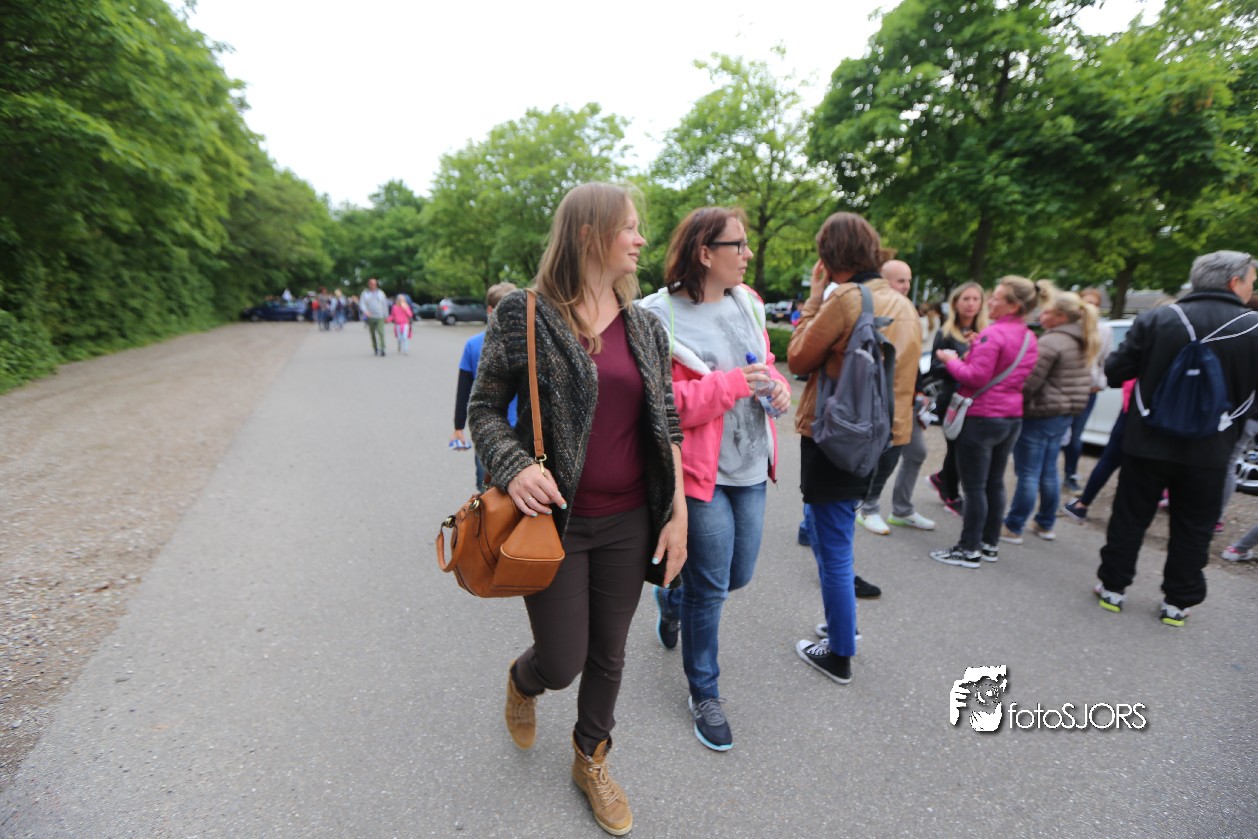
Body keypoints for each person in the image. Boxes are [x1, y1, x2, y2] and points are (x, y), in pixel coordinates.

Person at [468, 182, 686, 836]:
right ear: (589, 234)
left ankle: (591, 758)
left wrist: (677, 513)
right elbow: (484, 408)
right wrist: (514, 466)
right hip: (555, 524)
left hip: (630, 519)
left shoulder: (645, 326)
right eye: (629, 227)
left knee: (610, 654)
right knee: (563, 659)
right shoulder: (524, 315)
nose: (641, 239)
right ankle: (523, 679)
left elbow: (667, 421)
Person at [639, 206, 790, 752]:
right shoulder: (656, 315)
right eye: (738, 245)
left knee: (736, 576)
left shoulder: (748, 302)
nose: (748, 254)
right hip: (699, 476)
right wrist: (730, 385)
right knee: (712, 590)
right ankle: (704, 692)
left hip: (750, 466)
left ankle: (671, 596)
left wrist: (777, 387)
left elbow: (763, 363)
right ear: (705, 253)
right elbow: (657, 403)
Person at [787, 213, 920, 685]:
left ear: (828, 255)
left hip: (839, 438)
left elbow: (798, 357)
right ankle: (840, 622)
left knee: (833, 545)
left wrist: (812, 298)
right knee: (834, 534)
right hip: (886, 439)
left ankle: (840, 650)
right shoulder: (903, 303)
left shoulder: (846, 298)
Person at [1095, 250, 1258, 626]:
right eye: (1252, 281)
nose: (1252, 289)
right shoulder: (1253, 327)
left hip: (1147, 442)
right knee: (1194, 526)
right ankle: (1177, 602)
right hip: (1212, 447)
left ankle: (1113, 587)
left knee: (1130, 517)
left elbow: (1116, 372)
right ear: (1234, 282)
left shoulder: (1157, 318)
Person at [929, 277, 1038, 568]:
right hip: (1010, 417)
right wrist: (977, 348)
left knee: (974, 487)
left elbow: (975, 377)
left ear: (1013, 305)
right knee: (994, 482)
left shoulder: (994, 333)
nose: (989, 302)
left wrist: (950, 360)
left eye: (996, 298)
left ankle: (969, 549)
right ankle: (989, 544)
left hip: (982, 418)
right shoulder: (1029, 336)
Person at [1001, 286, 1097, 543]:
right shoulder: (1082, 340)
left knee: (1028, 472)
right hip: (1063, 414)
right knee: (1049, 470)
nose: (1040, 316)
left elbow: (1031, 381)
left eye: (1046, 312)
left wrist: (1015, 400)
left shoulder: (1051, 341)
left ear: (1060, 317)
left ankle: (1014, 525)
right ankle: (1045, 523)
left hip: (1041, 413)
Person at [855, 258, 935, 535]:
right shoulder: (875, 305)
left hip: (906, 397)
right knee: (886, 452)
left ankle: (901, 508)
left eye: (909, 280)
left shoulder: (907, 309)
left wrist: (919, 389)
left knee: (915, 452)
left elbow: (911, 357)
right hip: (884, 399)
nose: (907, 286)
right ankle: (869, 507)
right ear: (884, 280)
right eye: (901, 280)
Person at [926, 282, 988, 517]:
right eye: (966, 299)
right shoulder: (946, 332)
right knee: (958, 449)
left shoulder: (986, 333)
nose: (971, 304)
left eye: (975, 299)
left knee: (965, 449)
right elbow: (934, 368)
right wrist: (959, 361)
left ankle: (942, 478)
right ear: (955, 303)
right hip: (952, 398)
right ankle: (951, 494)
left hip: (977, 399)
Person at [451, 282, 519, 490]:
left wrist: (458, 427)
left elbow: (464, 390)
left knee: (487, 490)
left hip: (488, 431)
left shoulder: (473, 344)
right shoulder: (527, 345)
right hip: (519, 430)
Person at [1062, 379, 1136, 522]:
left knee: (1108, 461)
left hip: (1132, 413)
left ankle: (1082, 505)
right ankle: (1125, 518)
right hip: (1156, 423)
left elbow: (1116, 373)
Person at [1062, 288, 1113, 493]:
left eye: (1095, 304)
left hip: (1088, 390)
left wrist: (1100, 383)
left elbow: (1105, 361)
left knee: (1076, 435)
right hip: (1065, 388)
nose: (1091, 307)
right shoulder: (1069, 328)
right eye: (1087, 302)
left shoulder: (1104, 330)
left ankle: (1070, 474)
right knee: (1057, 432)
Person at [360, 278, 389, 356]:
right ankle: (375, 347)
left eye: (375, 284)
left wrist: (386, 316)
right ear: (369, 284)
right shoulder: (365, 293)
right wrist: (366, 311)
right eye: (372, 284)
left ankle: (382, 348)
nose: (373, 285)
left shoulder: (381, 293)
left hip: (380, 315)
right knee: (372, 333)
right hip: (371, 316)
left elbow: (384, 304)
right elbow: (362, 304)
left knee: (381, 332)